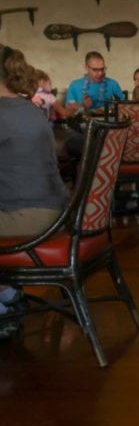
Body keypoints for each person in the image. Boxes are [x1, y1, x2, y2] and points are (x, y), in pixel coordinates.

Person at [0, 44, 68, 337]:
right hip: (54, 209)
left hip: (28, 216)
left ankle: (4, 306)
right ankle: (7, 294)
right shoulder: (29, 108)